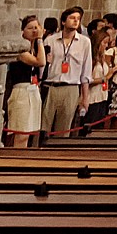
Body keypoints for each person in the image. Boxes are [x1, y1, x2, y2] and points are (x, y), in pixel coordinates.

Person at [41, 7, 92, 139]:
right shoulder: (50, 40)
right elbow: (42, 66)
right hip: (51, 86)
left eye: (78, 19)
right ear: (63, 21)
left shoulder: (84, 42)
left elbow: (85, 72)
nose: (75, 21)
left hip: (71, 87)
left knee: (63, 130)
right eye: (72, 18)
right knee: (43, 127)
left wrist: (85, 97)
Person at [4, 15, 44, 146]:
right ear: (23, 31)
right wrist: (40, 40)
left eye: (36, 27)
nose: (34, 30)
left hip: (33, 90)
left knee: (28, 134)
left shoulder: (34, 49)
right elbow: (41, 62)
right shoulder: (20, 50)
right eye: (30, 28)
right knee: (21, 133)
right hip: (21, 92)